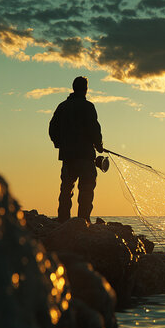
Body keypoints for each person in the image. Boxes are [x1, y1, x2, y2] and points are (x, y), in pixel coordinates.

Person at [49, 76, 103, 223]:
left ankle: (63, 220)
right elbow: (94, 129)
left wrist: (59, 144)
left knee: (66, 190)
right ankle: (83, 221)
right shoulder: (88, 107)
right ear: (85, 89)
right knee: (86, 190)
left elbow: (52, 129)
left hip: (68, 157)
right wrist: (99, 146)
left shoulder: (62, 107)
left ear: (73, 88)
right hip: (86, 157)